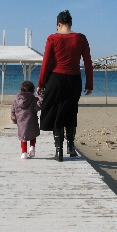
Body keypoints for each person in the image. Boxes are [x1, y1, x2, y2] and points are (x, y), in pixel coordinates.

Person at [37, 10, 93, 162]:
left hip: (56, 79)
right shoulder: (81, 38)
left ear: (59, 24)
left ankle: (59, 151)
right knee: (70, 111)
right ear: (71, 23)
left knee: (56, 114)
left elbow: (46, 63)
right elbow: (88, 63)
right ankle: (71, 147)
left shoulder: (52, 38)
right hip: (74, 80)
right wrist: (89, 84)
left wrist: (40, 83)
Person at [11, 81, 43, 159]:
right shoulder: (34, 100)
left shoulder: (17, 101)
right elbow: (39, 105)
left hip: (21, 122)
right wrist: (41, 96)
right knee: (33, 135)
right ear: (32, 91)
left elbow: (13, 110)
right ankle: (32, 147)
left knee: (23, 138)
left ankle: (24, 153)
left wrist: (14, 119)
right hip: (32, 121)